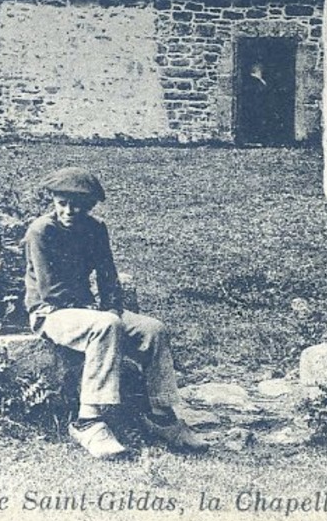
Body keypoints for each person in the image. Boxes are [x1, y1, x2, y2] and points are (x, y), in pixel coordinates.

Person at [23, 166, 207, 459]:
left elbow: (108, 275)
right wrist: (100, 315)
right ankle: (88, 420)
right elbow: (49, 290)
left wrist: (111, 307)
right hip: (52, 312)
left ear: (90, 207)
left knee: (153, 329)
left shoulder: (95, 229)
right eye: (63, 204)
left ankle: (161, 415)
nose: (70, 211)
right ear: (53, 201)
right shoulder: (42, 231)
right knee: (106, 325)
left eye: (79, 206)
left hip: (89, 313)